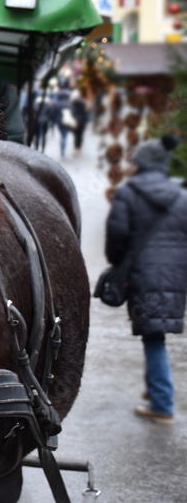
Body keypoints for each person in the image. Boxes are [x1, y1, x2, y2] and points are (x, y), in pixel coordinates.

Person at [105, 134, 187, 425]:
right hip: (176, 276)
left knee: (153, 337)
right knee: (156, 335)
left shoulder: (129, 193)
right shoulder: (181, 196)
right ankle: (156, 389)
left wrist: (117, 263)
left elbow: (117, 237)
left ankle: (162, 404)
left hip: (142, 275)